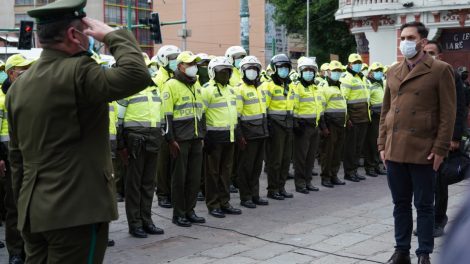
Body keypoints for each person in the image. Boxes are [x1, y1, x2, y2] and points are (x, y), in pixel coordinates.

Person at [6, 0, 151, 261]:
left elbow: (17, 158)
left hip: (33, 210)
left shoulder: (19, 85)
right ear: (74, 35)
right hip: (76, 211)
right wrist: (112, 35)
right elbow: (136, 74)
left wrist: (23, 204)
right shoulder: (79, 71)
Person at [379, 22, 456, 264]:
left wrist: (440, 148)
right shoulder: (393, 71)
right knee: (400, 204)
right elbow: (386, 111)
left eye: (410, 37)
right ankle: (401, 250)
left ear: (423, 41)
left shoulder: (440, 70)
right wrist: (382, 144)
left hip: (424, 149)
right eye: (402, 37)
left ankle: (424, 253)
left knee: (424, 205)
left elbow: (448, 113)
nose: (405, 42)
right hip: (394, 149)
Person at [422, 40, 466, 238]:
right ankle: (425, 220)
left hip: (442, 137)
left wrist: (455, 137)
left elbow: (459, 107)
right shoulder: (417, 75)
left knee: (439, 181)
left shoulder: (450, 74)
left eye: (432, 52)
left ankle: (439, 220)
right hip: (421, 138)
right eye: (425, 52)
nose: (428, 56)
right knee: (422, 183)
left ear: (439, 56)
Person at [117, 54, 165, 238]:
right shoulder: (127, 89)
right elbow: (119, 120)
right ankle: (134, 223)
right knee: (134, 184)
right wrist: (122, 145)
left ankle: (147, 220)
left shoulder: (154, 89)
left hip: (153, 140)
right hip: (135, 142)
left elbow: (159, 118)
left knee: (148, 184)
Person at [162, 51, 206, 227]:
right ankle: (179, 214)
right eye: (189, 64)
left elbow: (200, 112)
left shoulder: (196, 84)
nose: (193, 67)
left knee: (194, 177)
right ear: (180, 66)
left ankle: (190, 210)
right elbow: (166, 116)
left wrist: (202, 135)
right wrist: (170, 140)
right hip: (180, 139)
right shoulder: (171, 85)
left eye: (195, 64)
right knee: (179, 178)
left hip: (195, 138)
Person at [2, 54, 33, 264]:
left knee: (31, 206)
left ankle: (30, 248)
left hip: (29, 157)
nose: (26, 75)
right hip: (7, 157)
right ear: (11, 74)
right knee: (13, 207)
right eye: (22, 71)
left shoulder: (31, 95)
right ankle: (15, 251)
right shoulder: (3, 98)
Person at [202, 56, 242, 218]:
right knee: (212, 173)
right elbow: (201, 115)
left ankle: (225, 202)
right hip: (214, 138)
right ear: (213, 72)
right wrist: (205, 137)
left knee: (226, 172)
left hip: (230, 137)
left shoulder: (231, 90)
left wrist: (237, 133)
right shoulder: (207, 89)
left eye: (228, 71)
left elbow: (235, 114)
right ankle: (213, 204)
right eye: (221, 71)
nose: (225, 74)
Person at [236, 56, 269, 208]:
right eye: (249, 69)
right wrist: (240, 136)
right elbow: (237, 116)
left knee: (257, 168)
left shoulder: (261, 87)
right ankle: (246, 197)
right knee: (246, 167)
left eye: (255, 69)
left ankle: (255, 194)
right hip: (248, 134)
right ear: (243, 71)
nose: (252, 71)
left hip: (261, 132)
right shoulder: (239, 89)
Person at [261, 54, 296, 200]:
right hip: (275, 125)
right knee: (275, 160)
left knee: (286, 159)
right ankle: (273, 189)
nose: (284, 70)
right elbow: (264, 108)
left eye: (286, 67)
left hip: (288, 124)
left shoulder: (289, 85)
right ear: (275, 68)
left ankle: (281, 187)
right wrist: (267, 127)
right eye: (281, 67)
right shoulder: (268, 85)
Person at [154, 45, 181, 209]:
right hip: (162, 125)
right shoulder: (158, 79)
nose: (174, 61)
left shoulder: (177, 77)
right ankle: (163, 195)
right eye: (171, 59)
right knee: (163, 162)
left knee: (174, 161)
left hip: (176, 124)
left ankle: (171, 192)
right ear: (163, 60)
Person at [292, 57, 323, 194]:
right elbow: (293, 107)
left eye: (312, 70)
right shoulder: (296, 87)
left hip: (314, 126)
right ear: (300, 71)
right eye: (306, 70)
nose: (309, 72)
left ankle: (308, 181)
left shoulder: (315, 87)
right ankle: (300, 183)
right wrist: (297, 124)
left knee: (311, 157)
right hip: (303, 127)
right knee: (301, 158)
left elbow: (319, 107)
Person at [341, 53, 370, 182]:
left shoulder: (361, 77)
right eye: (355, 63)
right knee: (351, 147)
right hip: (353, 118)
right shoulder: (347, 78)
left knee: (358, 147)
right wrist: (347, 118)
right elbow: (343, 100)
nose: (358, 65)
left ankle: (354, 170)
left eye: (359, 62)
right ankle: (349, 172)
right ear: (349, 64)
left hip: (363, 116)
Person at [319, 60, 347, 188]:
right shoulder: (324, 86)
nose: (337, 73)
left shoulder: (340, 85)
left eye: (339, 71)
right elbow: (321, 109)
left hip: (341, 123)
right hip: (331, 124)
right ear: (328, 72)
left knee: (337, 152)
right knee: (328, 152)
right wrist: (324, 127)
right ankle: (325, 177)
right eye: (334, 71)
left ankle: (334, 175)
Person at [363, 62, 387, 177]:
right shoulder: (368, 83)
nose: (379, 72)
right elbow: (367, 100)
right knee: (372, 143)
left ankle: (376, 165)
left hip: (381, 116)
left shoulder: (381, 82)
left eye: (380, 70)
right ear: (371, 73)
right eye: (376, 70)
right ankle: (370, 167)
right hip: (373, 116)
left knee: (379, 142)